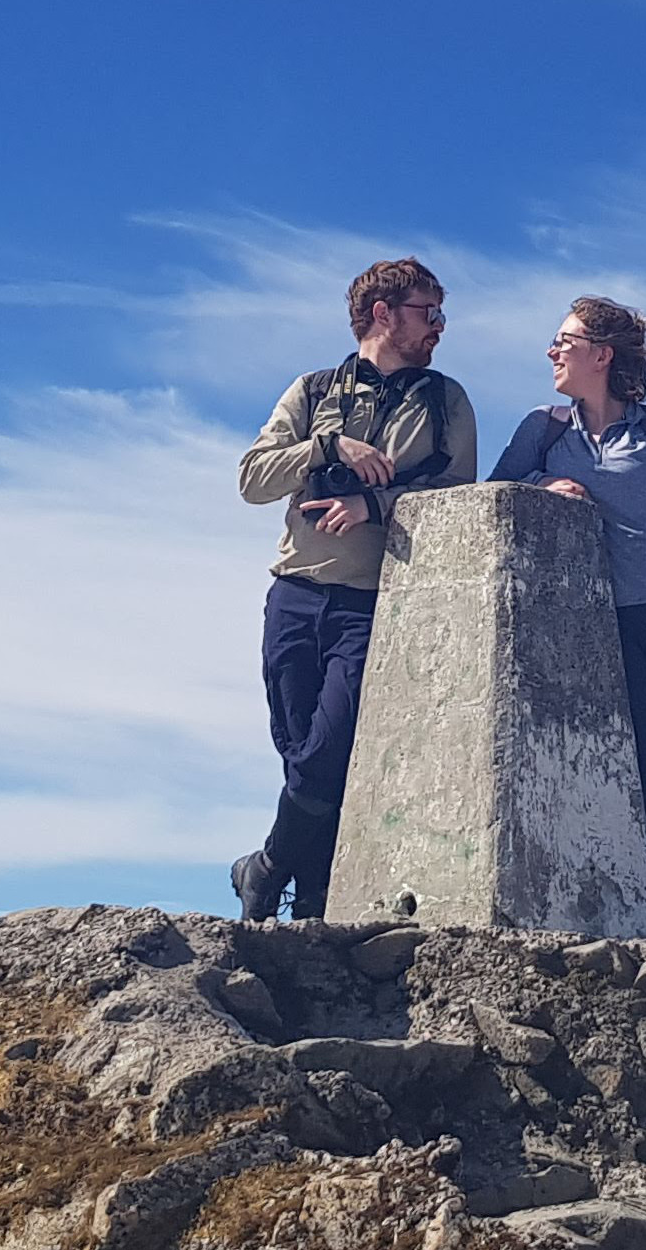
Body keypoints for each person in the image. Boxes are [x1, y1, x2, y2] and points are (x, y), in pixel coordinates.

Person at [227, 258, 479, 921]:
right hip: (293, 594)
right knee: (301, 761)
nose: (439, 329)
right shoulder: (313, 392)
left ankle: (266, 869)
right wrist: (327, 448)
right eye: (429, 314)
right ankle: (310, 907)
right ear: (383, 313)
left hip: (373, 604)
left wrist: (377, 505)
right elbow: (252, 480)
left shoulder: (445, 402)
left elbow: (458, 497)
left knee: (326, 751)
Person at [489, 296, 646, 936]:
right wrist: (546, 487)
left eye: (564, 342)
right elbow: (493, 496)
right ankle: (639, 917)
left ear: (602, 356)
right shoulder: (542, 430)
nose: (553, 352)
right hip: (603, 624)